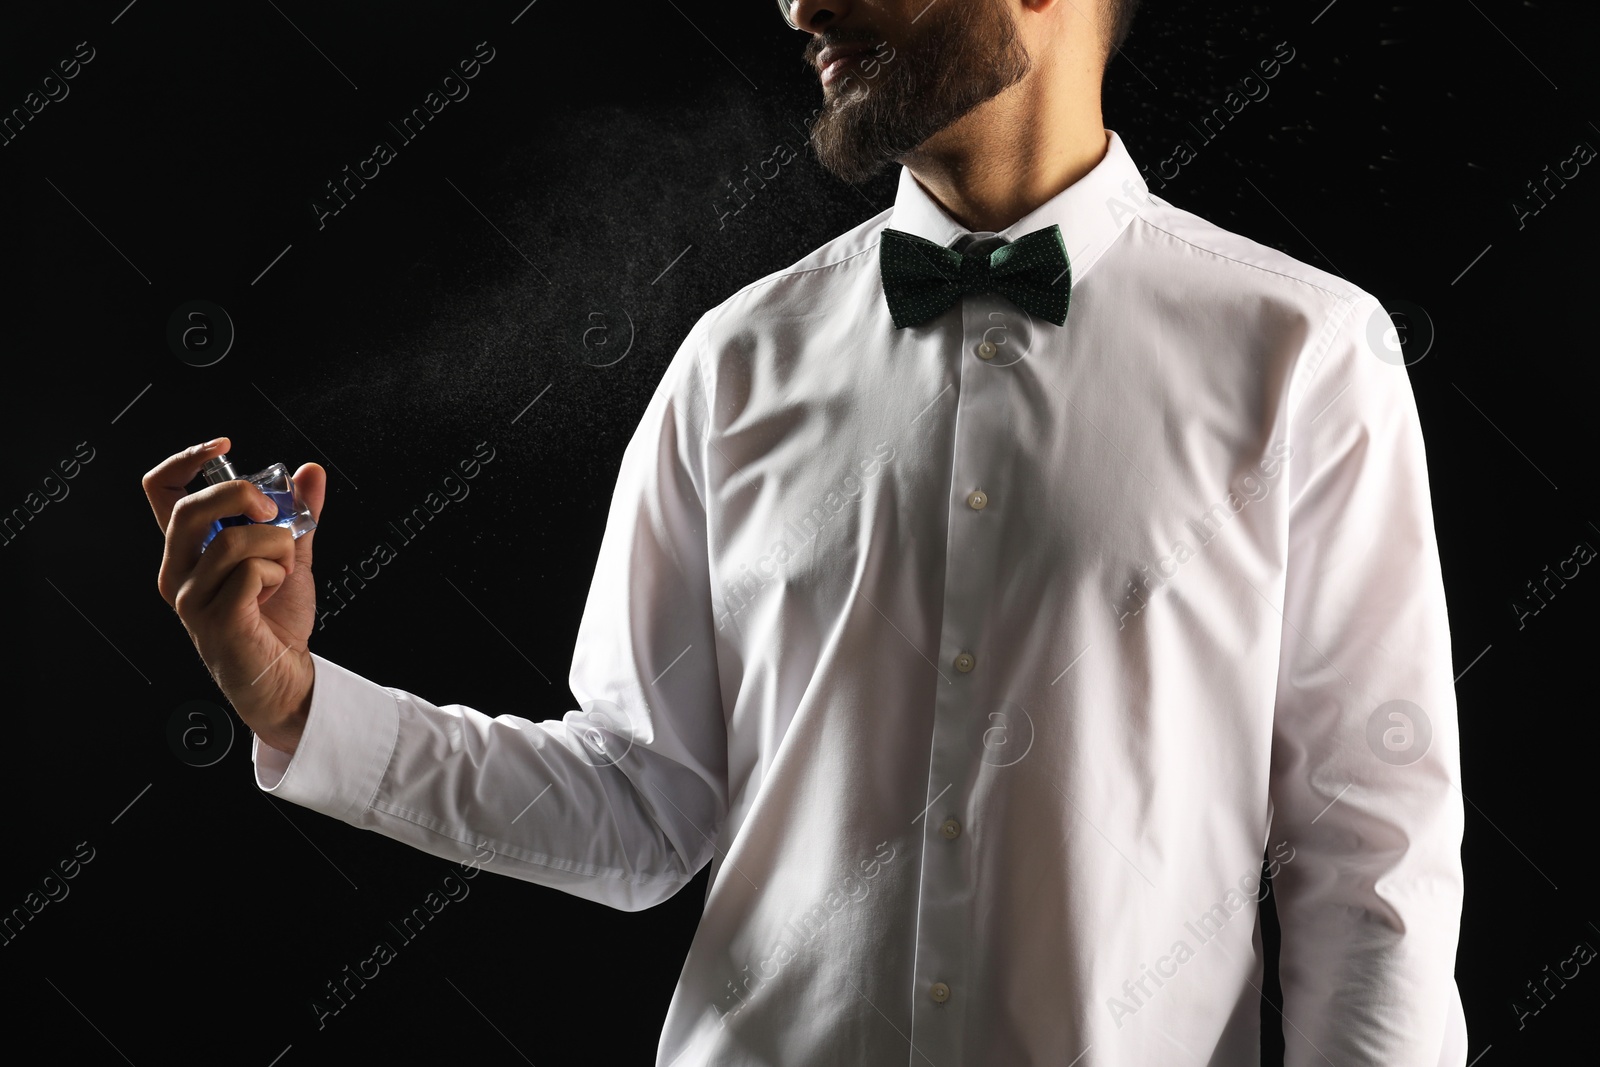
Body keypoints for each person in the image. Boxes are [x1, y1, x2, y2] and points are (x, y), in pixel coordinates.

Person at [143, 0, 1467, 1063]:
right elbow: (640, 801)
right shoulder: (734, 365)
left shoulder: (1305, 355)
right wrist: (301, 702)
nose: (795, 3)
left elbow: (1372, 874)